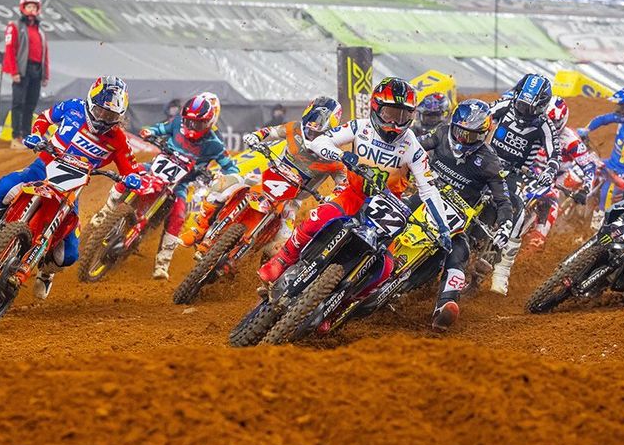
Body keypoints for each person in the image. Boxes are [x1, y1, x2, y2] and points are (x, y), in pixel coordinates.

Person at [0, 77, 140, 300]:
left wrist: (133, 179)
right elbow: (45, 118)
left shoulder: (118, 140)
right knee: (6, 185)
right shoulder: (73, 107)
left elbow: (132, 169)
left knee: (69, 254)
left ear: (119, 116)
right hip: (43, 166)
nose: (103, 119)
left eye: (110, 116)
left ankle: (46, 272)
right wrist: (36, 135)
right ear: (91, 103)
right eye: (101, 111)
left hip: (72, 188)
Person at [258, 77, 450, 289]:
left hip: (387, 209)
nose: (395, 123)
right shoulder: (360, 127)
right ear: (376, 108)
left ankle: (347, 302)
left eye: (403, 116)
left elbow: (429, 190)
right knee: (316, 219)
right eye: (390, 114)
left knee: (385, 268)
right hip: (354, 195)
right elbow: (319, 142)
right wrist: (341, 155)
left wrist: (443, 228)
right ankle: (282, 260)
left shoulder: (413, 147)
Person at [92, 95, 239, 280]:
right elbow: (160, 128)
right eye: (189, 122)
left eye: (198, 123)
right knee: (130, 174)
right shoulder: (177, 123)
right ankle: (105, 212)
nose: (192, 126)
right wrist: (149, 131)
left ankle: (162, 262)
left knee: (178, 214)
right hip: (155, 166)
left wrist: (223, 177)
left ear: (208, 123)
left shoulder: (215, 144)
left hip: (181, 182)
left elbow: (231, 168)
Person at [182, 97, 346, 253]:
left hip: (291, 201)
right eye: (309, 130)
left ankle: (256, 268)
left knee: (281, 247)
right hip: (266, 179)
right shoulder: (294, 128)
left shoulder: (335, 157)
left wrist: (332, 198)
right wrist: (255, 136)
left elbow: (344, 183)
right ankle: (200, 229)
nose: (311, 135)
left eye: (317, 134)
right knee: (221, 185)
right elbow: (271, 132)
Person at [417, 99, 514, 331]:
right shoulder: (441, 133)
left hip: (458, 216)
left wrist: (506, 224)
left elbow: (503, 200)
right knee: (393, 218)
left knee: (459, 253)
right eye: (460, 132)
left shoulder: (489, 161)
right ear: (452, 126)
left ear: (482, 136)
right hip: (426, 197)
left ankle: (445, 304)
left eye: (470, 136)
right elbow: (415, 146)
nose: (463, 139)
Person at [486, 74, 560, 295]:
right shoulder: (505, 104)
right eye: (521, 104)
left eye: (530, 108)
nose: (524, 111)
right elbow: (482, 115)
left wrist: (550, 171)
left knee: (518, 210)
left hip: (514, 173)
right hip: (486, 160)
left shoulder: (545, 125)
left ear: (541, 107)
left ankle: (502, 272)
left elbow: (554, 154)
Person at [578, 85, 624, 229]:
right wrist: (586, 130)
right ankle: (578, 213)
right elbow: (603, 119)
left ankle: (597, 230)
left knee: (605, 197)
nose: (620, 110)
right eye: (620, 106)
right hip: (610, 164)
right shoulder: (622, 119)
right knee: (582, 167)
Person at [529, 96, 597, 249]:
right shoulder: (531, 126)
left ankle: (538, 237)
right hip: (530, 168)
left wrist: (586, 190)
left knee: (550, 198)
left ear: (562, 120)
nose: (550, 126)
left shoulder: (570, 139)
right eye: (546, 120)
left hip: (555, 177)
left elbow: (589, 165)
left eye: (553, 122)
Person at [3, 0, 50, 149]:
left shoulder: (40, 30)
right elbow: (10, 50)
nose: (32, 10)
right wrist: (14, 71)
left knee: (31, 105)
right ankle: (16, 136)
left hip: (36, 71)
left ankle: (26, 135)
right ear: (23, 8)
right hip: (22, 70)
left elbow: (45, 53)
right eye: (29, 6)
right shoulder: (15, 26)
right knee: (18, 103)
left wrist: (45, 74)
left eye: (34, 7)